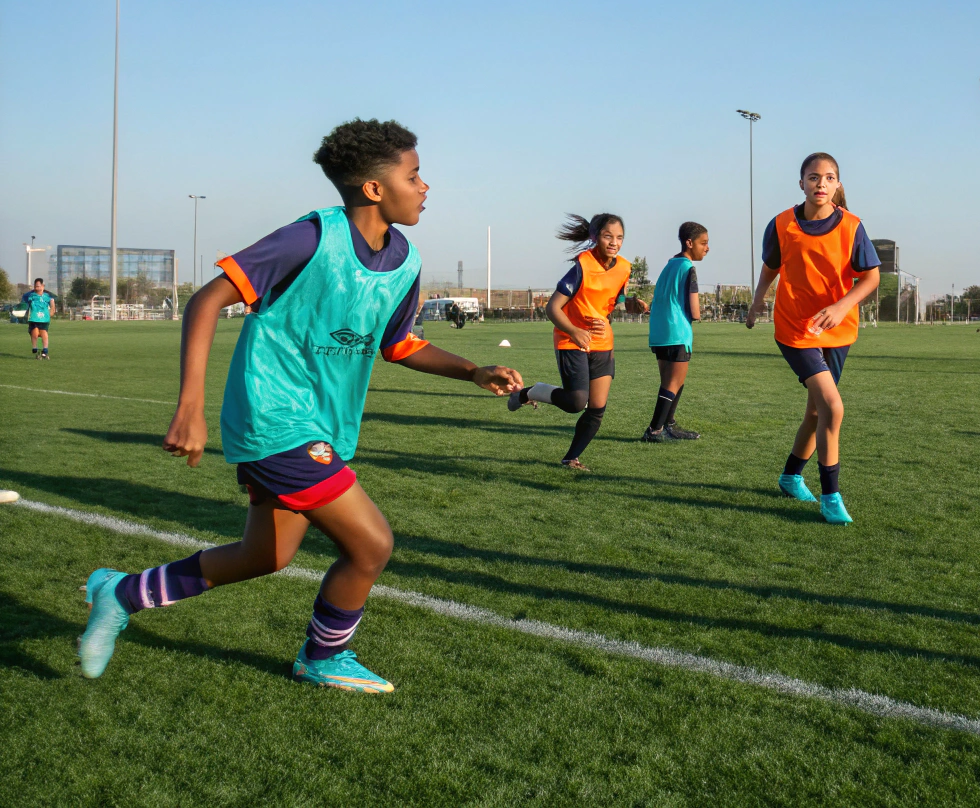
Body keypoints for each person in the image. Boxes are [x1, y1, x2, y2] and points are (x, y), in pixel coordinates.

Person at [76, 118, 523, 692]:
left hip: (324, 425)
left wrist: (472, 370)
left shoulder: (406, 259)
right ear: (374, 188)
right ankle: (324, 655)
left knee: (266, 555)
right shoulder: (309, 239)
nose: (426, 187)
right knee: (371, 544)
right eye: (415, 175)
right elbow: (207, 301)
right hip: (274, 416)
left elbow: (398, 343)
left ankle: (120, 593)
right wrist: (191, 406)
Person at [746, 153, 881, 525]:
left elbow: (871, 277)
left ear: (837, 184)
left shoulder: (853, 226)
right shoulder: (781, 224)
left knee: (818, 411)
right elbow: (772, 265)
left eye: (829, 177)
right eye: (813, 177)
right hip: (795, 329)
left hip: (838, 330)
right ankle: (831, 497)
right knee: (833, 408)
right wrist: (758, 299)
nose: (821, 183)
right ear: (801, 182)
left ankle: (790, 476)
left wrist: (840, 307)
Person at [508, 213, 645, 471]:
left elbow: (617, 300)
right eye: (608, 236)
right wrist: (573, 331)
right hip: (572, 342)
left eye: (619, 238)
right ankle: (529, 392)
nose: (614, 242)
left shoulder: (625, 268)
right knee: (575, 402)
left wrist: (632, 304)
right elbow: (552, 308)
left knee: (596, 408)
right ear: (594, 238)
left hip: (603, 344)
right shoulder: (582, 267)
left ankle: (571, 458)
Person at [643, 222, 708, 442]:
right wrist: (699, 314)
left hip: (659, 331)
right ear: (689, 243)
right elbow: (695, 310)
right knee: (674, 382)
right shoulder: (688, 267)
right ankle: (654, 430)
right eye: (704, 243)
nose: (707, 248)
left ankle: (669, 425)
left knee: (670, 382)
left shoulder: (670, 265)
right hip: (677, 331)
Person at [21, 278, 55, 359]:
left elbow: (52, 305)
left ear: (43, 286)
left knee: (43, 333)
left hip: (44, 319)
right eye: (35, 286)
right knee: (35, 333)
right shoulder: (30, 295)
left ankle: (44, 351)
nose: (37, 288)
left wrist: (51, 312)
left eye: (38, 286)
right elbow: (24, 304)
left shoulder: (48, 296)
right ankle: (36, 348)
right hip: (33, 318)